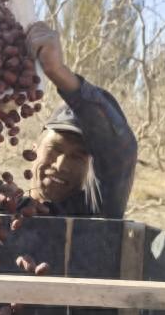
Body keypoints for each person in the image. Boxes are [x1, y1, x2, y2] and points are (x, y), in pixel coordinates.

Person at [20, 21, 137, 219]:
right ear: (34, 150)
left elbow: (120, 150)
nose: (61, 165)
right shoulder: (0, 206)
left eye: (77, 157)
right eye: (55, 149)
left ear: (88, 167)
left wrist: (57, 71)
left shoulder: (94, 214)